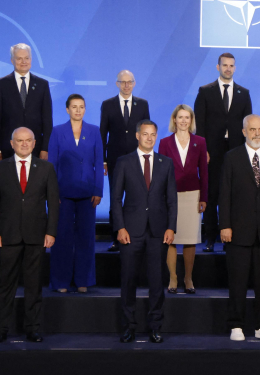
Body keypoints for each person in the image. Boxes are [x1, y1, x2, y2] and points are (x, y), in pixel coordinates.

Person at [0, 127, 59, 344]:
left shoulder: (46, 168)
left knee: (34, 285)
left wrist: (51, 232)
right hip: (8, 235)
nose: (24, 144)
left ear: (34, 143)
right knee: (6, 284)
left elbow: (53, 204)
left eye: (28, 140)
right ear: (12, 143)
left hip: (36, 235)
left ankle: (33, 328)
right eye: (20, 141)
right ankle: (1, 328)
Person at [219, 115, 260, 342]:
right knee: (237, 281)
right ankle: (236, 325)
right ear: (244, 131)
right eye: (253, 130)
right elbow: (225, 194)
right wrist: (225, 225)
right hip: (238, 231)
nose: (257, 134)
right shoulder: (232, 157)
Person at [111, 120, 176, 344]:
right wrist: (120, 227)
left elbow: (172, 199)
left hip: (158, 231)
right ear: (137, 136)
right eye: (145, 134)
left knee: (157, 282)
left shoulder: (165, 163)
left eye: (153, 134)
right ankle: (129, 327)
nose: (149, 138)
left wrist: (171, 227)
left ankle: (155, 327)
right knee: (128, 281)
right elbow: (116, 199)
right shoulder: (124, 162)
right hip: (130, 231)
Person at [195, 53, 253, 253]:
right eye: (224, 65)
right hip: (212, 151)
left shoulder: (243, 93)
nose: (228, 68)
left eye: (231, 65)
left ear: (235, 68)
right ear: (217, 67)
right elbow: (199, 123)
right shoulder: (205, 91)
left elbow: (249, 124)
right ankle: (210, 238)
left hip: (237, 151)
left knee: (235, 194)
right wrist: (204, 150)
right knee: (211, 194)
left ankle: (231, 237)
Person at [48, 94, 103, 293]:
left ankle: (83, 280)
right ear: (67, 110)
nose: (78, 110)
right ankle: (60, 281)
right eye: (74, 107)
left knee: (86, 238)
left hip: (88, 192)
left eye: (81, 107)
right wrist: (52, 193)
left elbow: (98, 163)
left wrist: (98, 190)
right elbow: (51, 164)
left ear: (85, 109)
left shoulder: (94, 131)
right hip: (63, 192)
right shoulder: (57, 131)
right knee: (61, 237)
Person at [159, 105, 209, 294]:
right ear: (174, 120)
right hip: (170, 196)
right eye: (180, 117)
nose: (183, 121)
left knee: (190, 239)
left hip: (192, 195)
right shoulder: (164, 142)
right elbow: (161, 173)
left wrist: (203, 197)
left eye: (187, 117)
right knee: (170, 239)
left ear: (191, 120)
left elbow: (204, 172)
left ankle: (188, 278)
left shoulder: (200, 141)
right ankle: (173, 277)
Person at [100, 70, 151, 253]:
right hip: (115, 160)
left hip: (138, 159)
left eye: (130, 82)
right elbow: (102, 133)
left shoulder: (142, 104)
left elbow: (148, 132)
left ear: (135, 83)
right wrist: (103, 160)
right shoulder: (107, 105)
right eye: (123, 82)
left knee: (139, 196)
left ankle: (140, 235)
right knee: (116, 197)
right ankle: (115, 238)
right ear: (117, 84)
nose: (126, 85)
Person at [0, 43, 52, 162]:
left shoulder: (42, 85)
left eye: (26, 58)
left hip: (36, 149)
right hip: (7, 149)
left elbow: (47, 120)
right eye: (19, 58)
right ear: (12, 60)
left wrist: (45, 148)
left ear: (31, 59)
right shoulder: (1, 85)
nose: (24, 61)